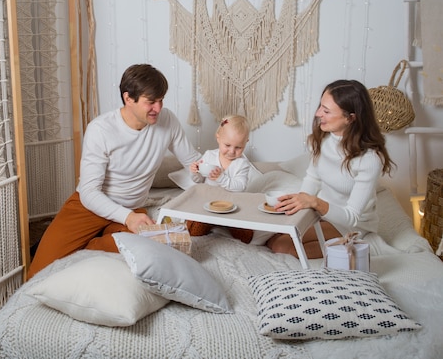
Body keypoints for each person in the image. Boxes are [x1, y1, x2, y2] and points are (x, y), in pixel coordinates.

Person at [27, 64, 201, 279]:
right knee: (37, 274)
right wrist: (128, 218)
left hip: (132, 208)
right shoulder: (101, 130)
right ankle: (73, 243)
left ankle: (86, 247)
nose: (158, 107)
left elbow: (193, 164)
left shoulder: (167, 120)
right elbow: (90, 192)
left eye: (161, 100)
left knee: (160, 248)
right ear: (129, 98)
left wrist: (216, 167)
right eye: (151, 102)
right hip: (89, 207)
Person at [266, 79, 395, 259]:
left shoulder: (370, 159)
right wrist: (300, 207)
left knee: (282, 246)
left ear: (350, 118)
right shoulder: (324, 139)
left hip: (350, 224)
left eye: (326, 111)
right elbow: (313, 177)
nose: (318, 114)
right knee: (273, 235)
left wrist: (314, 202)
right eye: (320, 106)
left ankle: (358, 246)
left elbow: (352, 216)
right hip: (322, 214)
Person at [185, 115, 255, 243]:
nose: (232, 151)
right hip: (208, 204)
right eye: (227, 145)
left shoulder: (242, 163)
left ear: (246, 143)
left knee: (247, 237)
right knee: (193, 231)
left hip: (232, 206)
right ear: (218, 137)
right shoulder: (209, 156)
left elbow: (240, 186)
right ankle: (211, 222)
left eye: (238, 147)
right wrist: (194, 171)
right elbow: (198, 180)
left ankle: (226, 223)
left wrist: (221, 178)